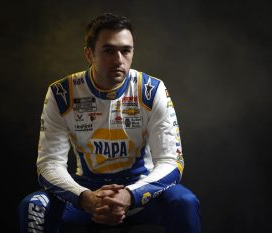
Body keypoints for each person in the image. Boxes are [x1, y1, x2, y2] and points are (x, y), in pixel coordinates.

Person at [19, 13, 201, 233]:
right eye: (108, 51)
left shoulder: (151, 90)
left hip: (140, 188)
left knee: (185, 202)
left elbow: (171, 161)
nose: (118, 60)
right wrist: (86, 198)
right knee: (34, 206)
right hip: (86, 190)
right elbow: (48, 165)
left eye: (126, 50)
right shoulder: (62, 93)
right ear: (89, 54)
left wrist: (130, 195)